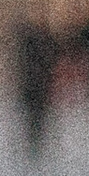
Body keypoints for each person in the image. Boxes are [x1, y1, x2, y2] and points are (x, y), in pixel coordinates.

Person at [13, 10, 60, 161]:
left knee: (39, 118)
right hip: (33, 86)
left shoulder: (44, 38)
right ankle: (33, 148)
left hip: (40, 86)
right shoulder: (30, 40)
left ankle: (37, 148)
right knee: (32, 119)